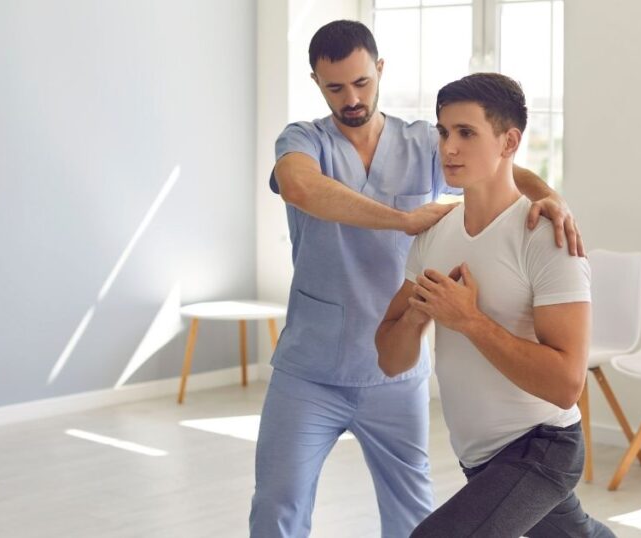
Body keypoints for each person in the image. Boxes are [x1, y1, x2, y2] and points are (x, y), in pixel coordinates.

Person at [249, 20, 585, 538]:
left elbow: (502, 166)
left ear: (379, 70)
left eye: (361, 82)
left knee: (412, 515)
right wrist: (403, 219)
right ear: (316, 81)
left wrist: (554, 203)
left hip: (395, 377)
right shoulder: (303, 140)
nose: (351, 97)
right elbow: (299, 187)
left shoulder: (424, 142)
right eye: (335, 87)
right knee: (278, 506)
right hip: (312, 368)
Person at [376, 73, 615, 537]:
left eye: (467, 133)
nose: (449, 147)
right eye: (443, 132)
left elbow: (567, 385)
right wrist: (419, 315)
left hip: (542, 445)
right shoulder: (434, 234)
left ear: (509, 142)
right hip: (479, 456)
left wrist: (467, 320)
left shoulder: (546, 237)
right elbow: (390, 358)